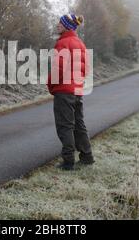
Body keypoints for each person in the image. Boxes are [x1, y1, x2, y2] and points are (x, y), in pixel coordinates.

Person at [47, 14, 95, 171]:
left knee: (65, 126)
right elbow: (86, 69)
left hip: (64, 90)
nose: (57, 25)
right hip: (77, 89)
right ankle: (87, 156)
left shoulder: (62, 43)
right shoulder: (80, 43)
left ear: (67, 26)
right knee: (79, 124)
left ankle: (68, 162)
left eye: (60, 23)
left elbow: (57, 69)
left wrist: (51, 86)